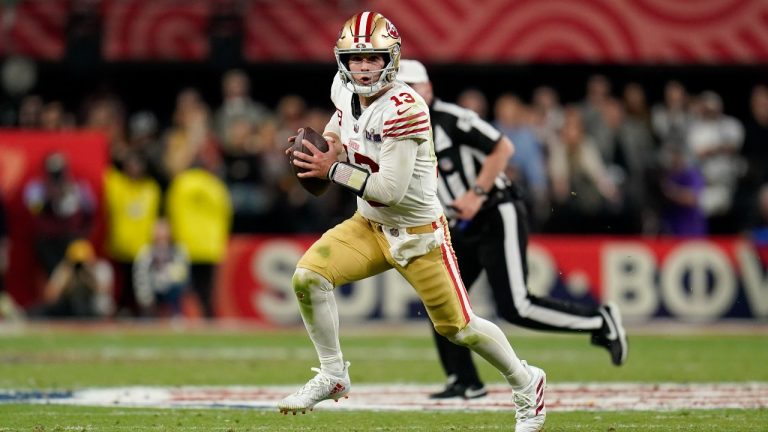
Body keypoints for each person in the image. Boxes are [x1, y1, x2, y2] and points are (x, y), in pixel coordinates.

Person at [278, 12, 546, 431]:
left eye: (373, 58)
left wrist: (333, 169)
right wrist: (329, 144)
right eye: (354, 58)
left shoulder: (406, 108)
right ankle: (333, 374)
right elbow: (341, 122)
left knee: (461, 329)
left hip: (418, 237)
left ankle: (527, 383)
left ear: (393, 58)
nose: (363, 67)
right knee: (307, 277)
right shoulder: (343, 88)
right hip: (368, 225)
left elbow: (389, 190)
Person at [397, 59, 629, 400]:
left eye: (411, 88)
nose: (405, 97)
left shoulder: (451, 118)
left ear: (428, 89)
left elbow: (502, 147)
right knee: (440, 298)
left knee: (515, 306)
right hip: (459, 222)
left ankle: (600, 322)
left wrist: (476, 194)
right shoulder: (394, 129)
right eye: (399, 90)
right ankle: (465, 380)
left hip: (494, 210)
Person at [29, 238, 114, 319]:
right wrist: (66, 280)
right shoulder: (65, 270)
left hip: (94, 310)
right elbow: (50, 298)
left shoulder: (101, 268)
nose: (80, 266)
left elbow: (103, 292)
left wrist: (88, 276)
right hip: (70, 310)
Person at [133, 219, 189, 318]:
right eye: (158, 230)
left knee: (177, 285)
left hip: (171, 289)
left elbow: (182, 274)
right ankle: (148, 315)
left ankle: (175, 313)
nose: (161, 234)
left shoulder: (178, 250)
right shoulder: (146, 251)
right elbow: (140, 275)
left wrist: (166, 278)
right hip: (152, 290)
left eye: (164, 230)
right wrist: (146, 297)